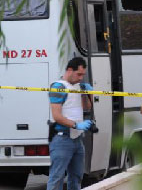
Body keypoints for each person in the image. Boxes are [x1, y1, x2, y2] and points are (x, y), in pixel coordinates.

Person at [47, 57, 93, 190]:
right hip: (62, 138)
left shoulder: (78, 86)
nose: (80, 78)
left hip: (77, 139)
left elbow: (87, 108)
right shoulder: (58, 87)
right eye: (79, 74)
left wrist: (85, 93)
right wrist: (76, 125)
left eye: (83, 75)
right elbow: (57, 116)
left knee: (77, 177)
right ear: (69, 70)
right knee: (57, 177)